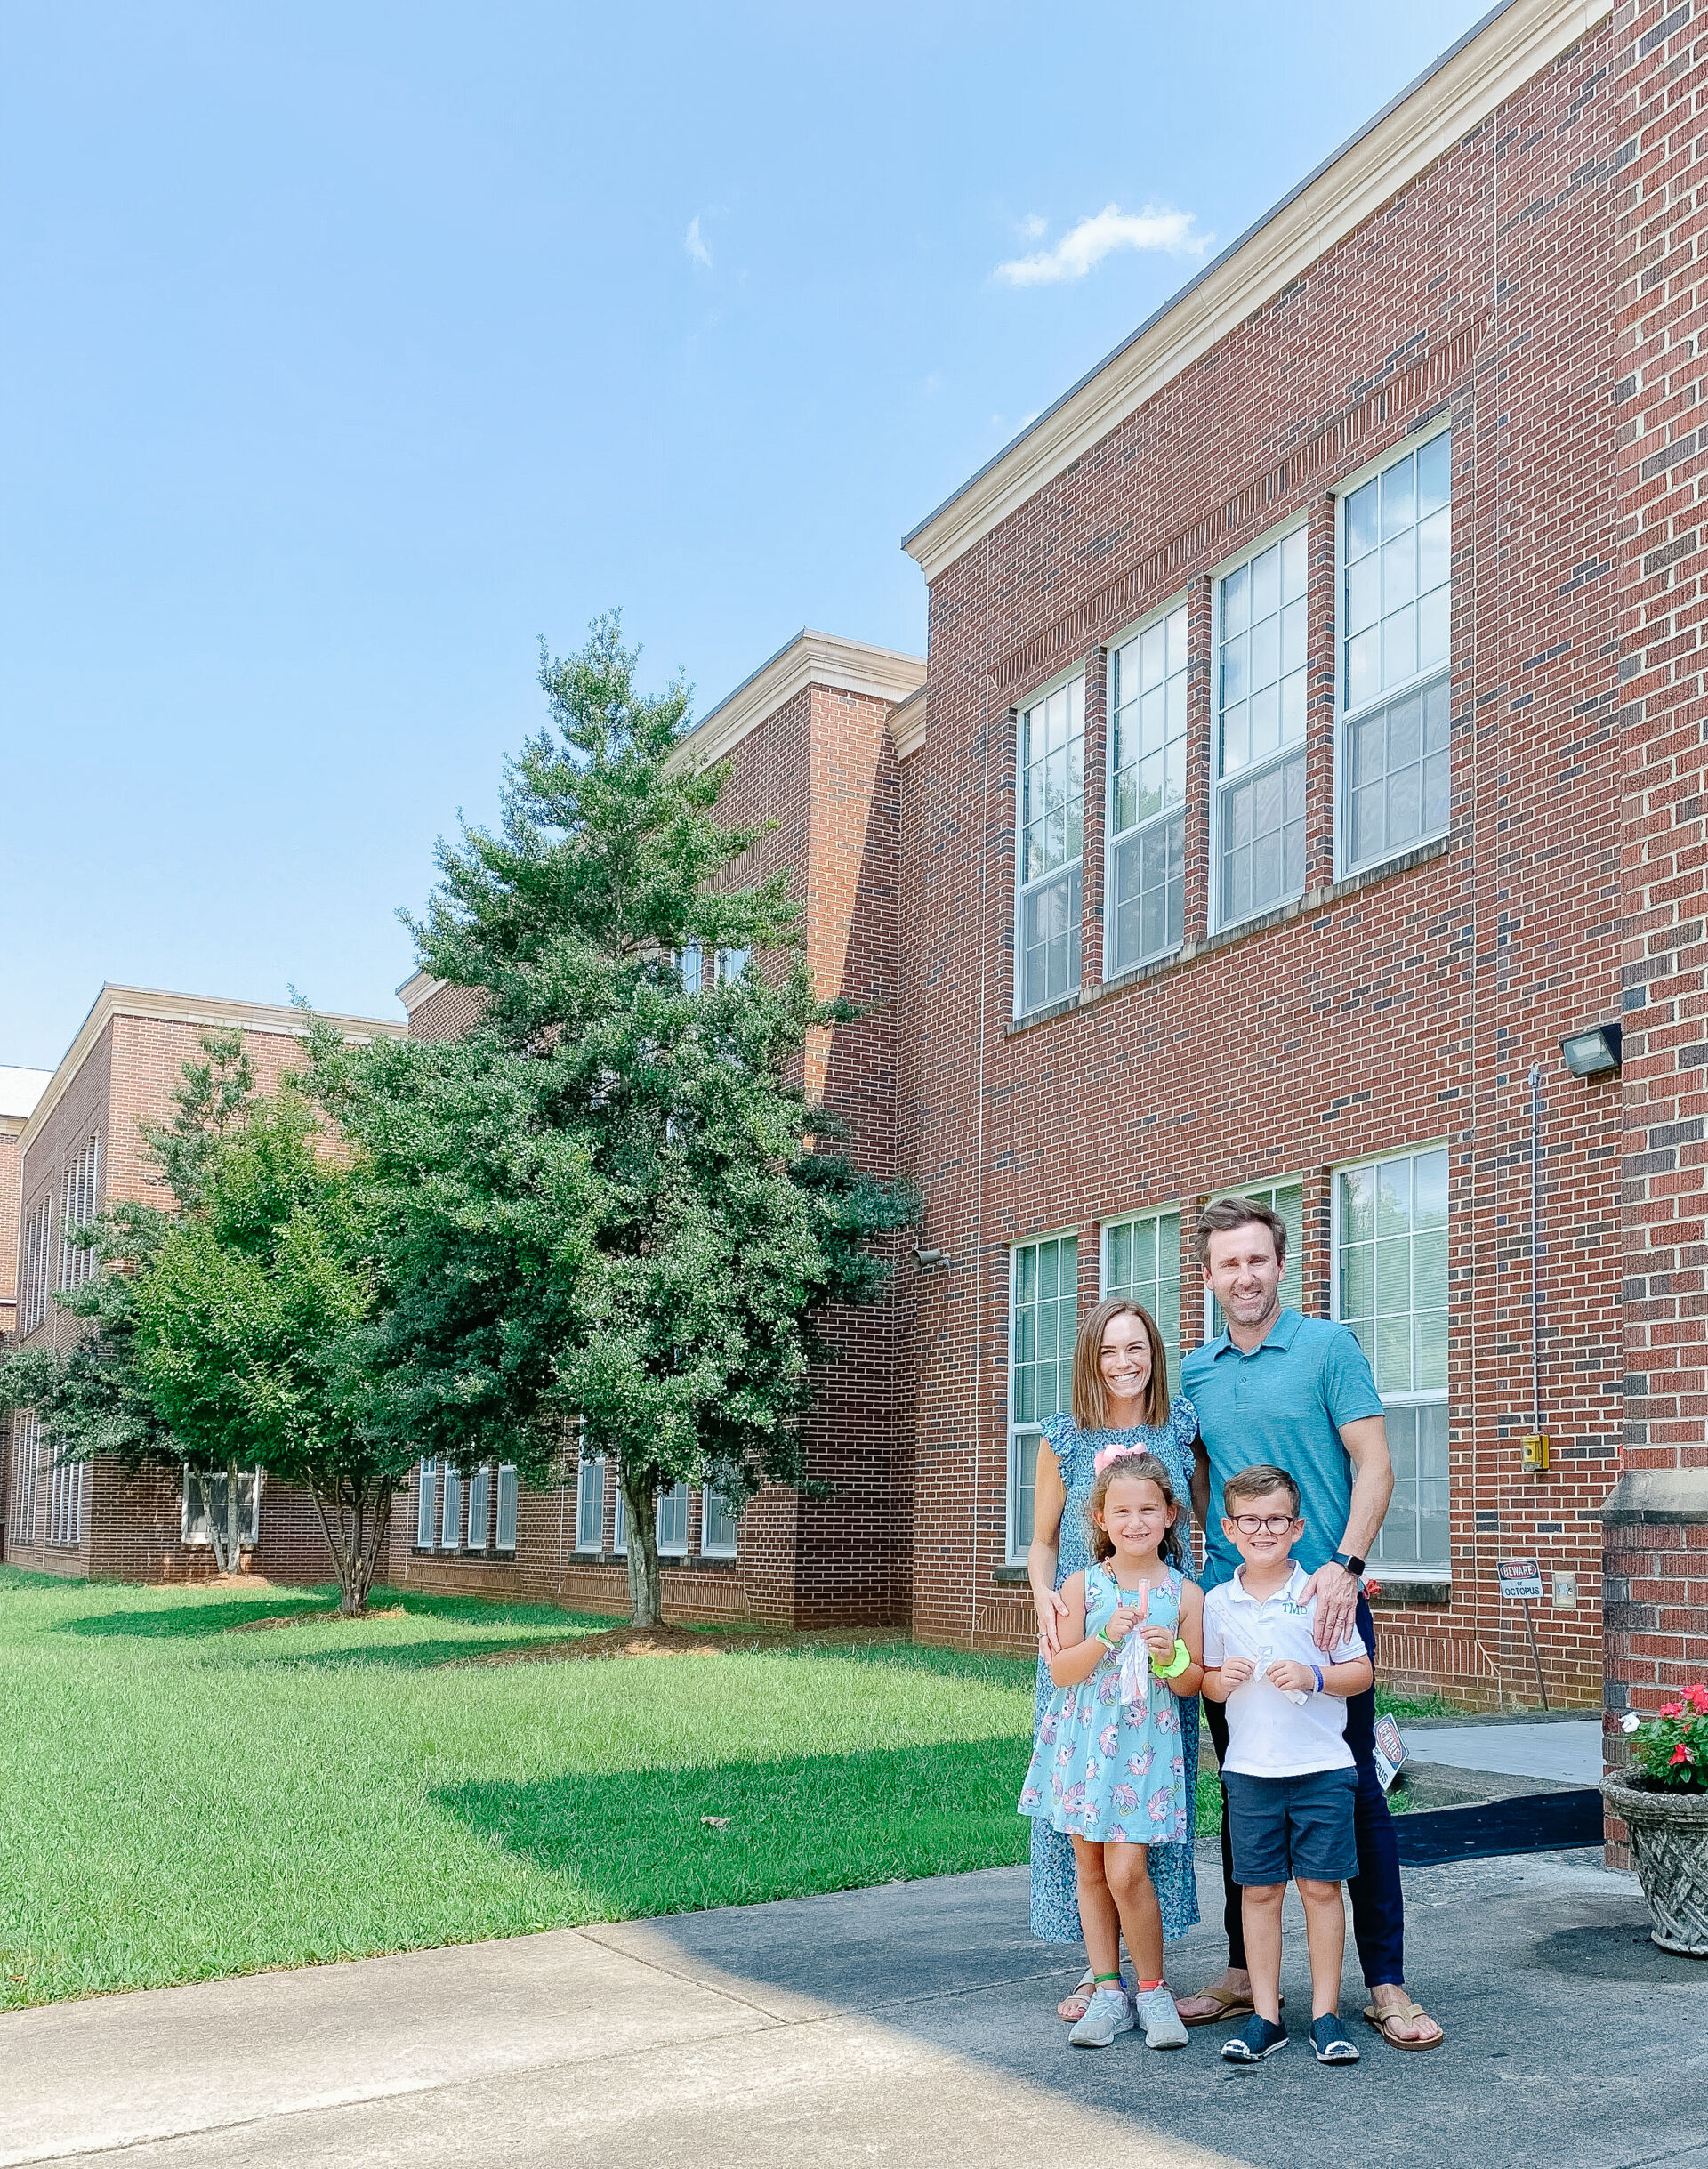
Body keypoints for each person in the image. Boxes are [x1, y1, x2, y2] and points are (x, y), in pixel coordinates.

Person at [1175, 1197, 1443, 2050]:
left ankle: (1386, 1984)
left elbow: (1376, 1462)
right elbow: (1190, 1482)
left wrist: (1349, 1565)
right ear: (1208, 1276)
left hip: (1324, 1609)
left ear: (1280, 1265)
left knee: (1354, 1790)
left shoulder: (1329, 1348)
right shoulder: (1196, 1372)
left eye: (1258, 1259)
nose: (1244, 1276)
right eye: (1228, 1263)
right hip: (1232, 1612)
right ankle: (1242, 1973)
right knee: (1243, 1785)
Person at [1027, 1298, 1201, 2023]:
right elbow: (1040, 1540)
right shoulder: (1064, 1437)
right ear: (1089, 1360)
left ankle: (1151, 1976)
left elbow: (1199, 1522)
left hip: (1161, 1639)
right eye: (1108, 1350)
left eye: (1137, 1347)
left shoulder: (1182, 1425)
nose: (1124, 1362)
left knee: (1143, 1806)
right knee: (1081, 1817)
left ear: (1154, 1354)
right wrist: (1042, 1599)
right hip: (1080, 1635)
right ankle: (1098, 1976)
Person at [1201, 1464, 1373, 2067]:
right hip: (1250, 1772)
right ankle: (1267, 2017)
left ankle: (1325, 2015)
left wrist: (1315, 1676)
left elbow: (1361, 1672)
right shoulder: (1219, 1604)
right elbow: (1209, 1684)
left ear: (1297, 1527)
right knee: (1260, 1893)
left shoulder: (1319, 1593)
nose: (1263, 1530)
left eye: (1276, 1519)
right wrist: (1220, 1679)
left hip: (1322, 1767)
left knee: (1323, 1889)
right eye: (1250, 1520)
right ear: (1228, 1528)